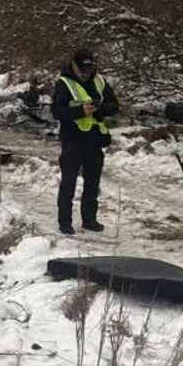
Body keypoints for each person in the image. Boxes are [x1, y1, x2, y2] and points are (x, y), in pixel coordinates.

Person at [52, 48, 119, 235]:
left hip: (95, 139)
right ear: (74, 66)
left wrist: (100, 109)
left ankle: (89, 220)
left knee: (92, 183)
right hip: (72, 139)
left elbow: (114, 106)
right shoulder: (64, 83)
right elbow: (57, 111)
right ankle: (65, 222)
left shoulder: (99, 81)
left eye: (89, 69)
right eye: (82, 69)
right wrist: (81, 111)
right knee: (69, 182)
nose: (86, 73)